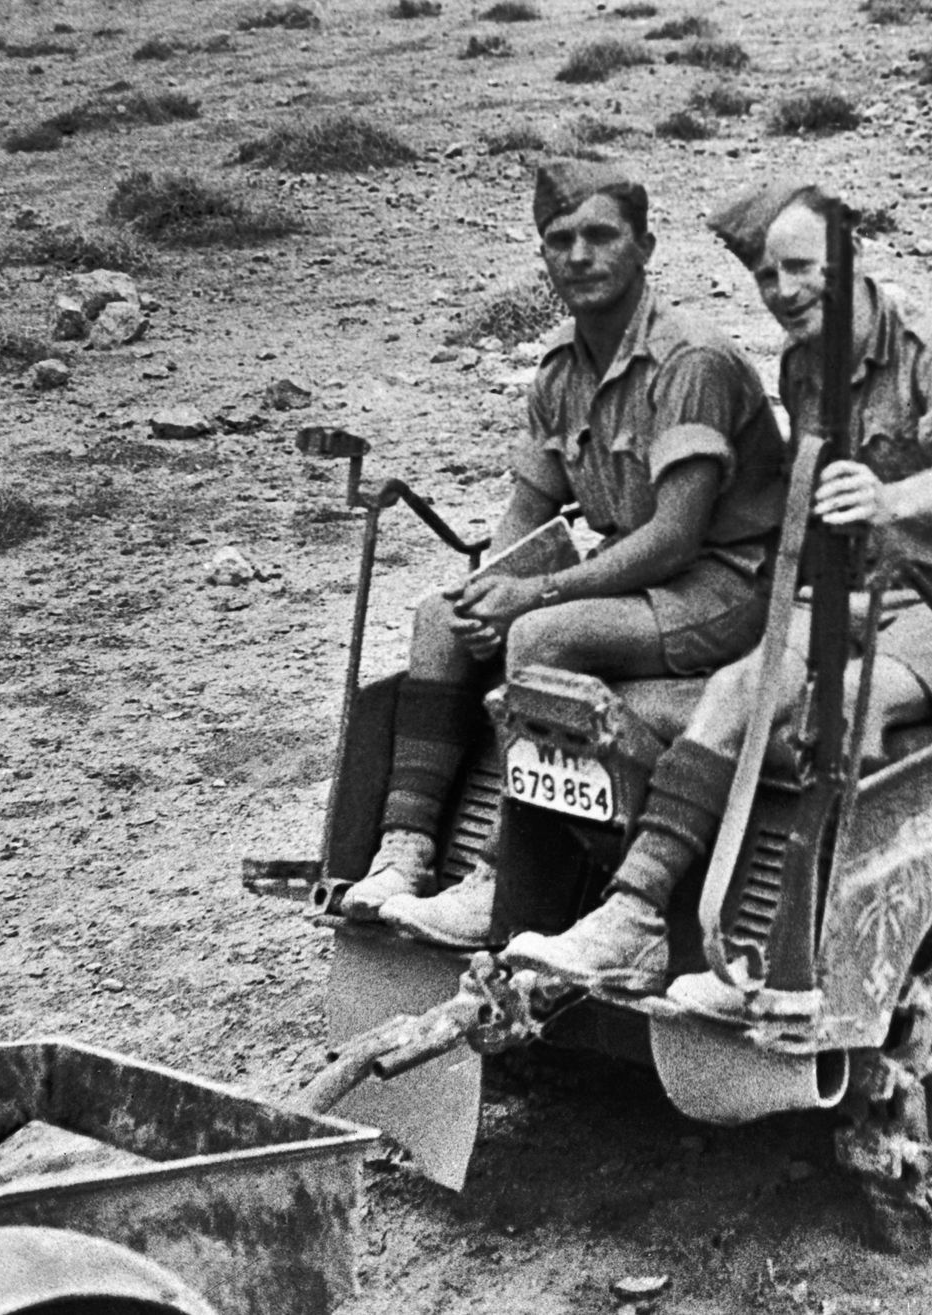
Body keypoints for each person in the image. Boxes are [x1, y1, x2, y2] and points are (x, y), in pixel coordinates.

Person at [502, 182, 932, 994]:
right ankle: (639, 916)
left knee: (838, 708)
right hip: (851, 593)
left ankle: (789, 961)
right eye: (766, 277)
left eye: (801, 269)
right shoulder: (802, 362)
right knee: (738, 688)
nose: (784, 292)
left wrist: (892, 499)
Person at [348, 161, 788, 949]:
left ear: (645, 245)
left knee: (541, 637)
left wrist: (535, 597)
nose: (579, 255)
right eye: (559, 240)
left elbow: (675, 535)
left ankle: (505, 884)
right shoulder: (560, 369)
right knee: (437, 619)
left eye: (600, 236)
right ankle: (403, 852)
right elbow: (526, 515)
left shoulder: (693, 362)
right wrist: (487, 592)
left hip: (728, 587)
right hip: (641, 583)